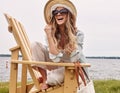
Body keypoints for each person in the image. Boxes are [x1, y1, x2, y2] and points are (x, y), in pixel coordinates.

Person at [31, 0, 89, 90]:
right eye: (55, 12)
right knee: (35, 45)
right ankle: (44, 79)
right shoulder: (51, 32)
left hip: (70, 66)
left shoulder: (78, 34)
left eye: (63, 11)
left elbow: (74, 59)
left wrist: (71, 39)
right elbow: (55, 58)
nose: (58, 14)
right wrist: (49, 35)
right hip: (56, 63)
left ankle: (49, 78)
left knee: (52, 80)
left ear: (68, 15)